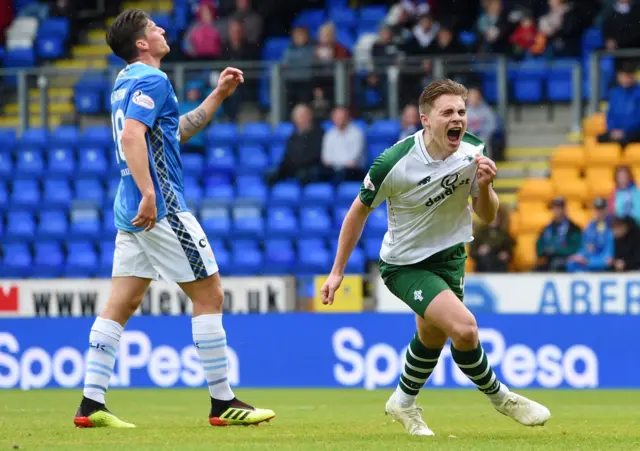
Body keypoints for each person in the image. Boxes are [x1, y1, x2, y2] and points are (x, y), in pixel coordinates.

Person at [73, 9, 274, 429]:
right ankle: (223, 403)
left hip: (129, 211)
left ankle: (91, 404)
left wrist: (217, 95)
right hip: (160, 207)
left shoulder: (124, 82)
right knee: (210, 294)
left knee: (120, 304)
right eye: (153, 28)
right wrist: (151, 193)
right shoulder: (152, 79)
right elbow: (132, 136)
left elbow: (171, 133)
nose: (163, 30)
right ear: (142, 44)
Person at [320, 79, 550, 437]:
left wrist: (487, 186)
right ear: (425, 120)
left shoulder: (473, 151)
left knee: (432, 338)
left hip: (451, 259)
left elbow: (487, 215)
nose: (457, 118)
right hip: (406, 265)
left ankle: (403, 401)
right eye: (448, 112)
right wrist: (337, 272)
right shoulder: (395, 162)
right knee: (465, 328)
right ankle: (501, 398)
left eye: (461, 111)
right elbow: (356, 213)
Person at [597, 63, 640, 147]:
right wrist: (613, 130)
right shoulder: (614, 93)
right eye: (622, 76)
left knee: (626, 139)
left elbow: (637, 118)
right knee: (599, 139)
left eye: (628, 76)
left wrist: (625, 131)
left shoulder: (638, 93)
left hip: (634, 131)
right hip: (616, 131)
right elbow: (610, 115)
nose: (625, 80)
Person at [566, 198, 614, 272]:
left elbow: (608, 256)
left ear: (606, 210)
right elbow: (584, 248)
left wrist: (589, 262)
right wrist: (579, 256)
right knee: (571, 263)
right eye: (596, 209)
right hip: (588, 262)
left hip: (600, 264)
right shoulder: (589, 227)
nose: (598, 212)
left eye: (601, 209)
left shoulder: (610, 227)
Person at [535, 197, 582, 272]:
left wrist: (556, 251)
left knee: (557, 264)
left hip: (565, 260)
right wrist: (544, 251)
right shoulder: (547, 228)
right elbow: (539, 244)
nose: (556, 211)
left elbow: (575, 248)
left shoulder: (573, 228)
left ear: (564, 210)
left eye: (559, 208)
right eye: (554, 208)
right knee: (537, 268)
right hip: (548, 259)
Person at [469, 205, 514, 272]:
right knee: (485, 260)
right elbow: (472, 252)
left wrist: (506, 254)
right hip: (483, 264)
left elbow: (510, 250)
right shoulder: (480, 233)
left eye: (496, 218)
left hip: (499, 263)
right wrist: (479, 251)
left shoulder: (504, 234)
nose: (494, 220)